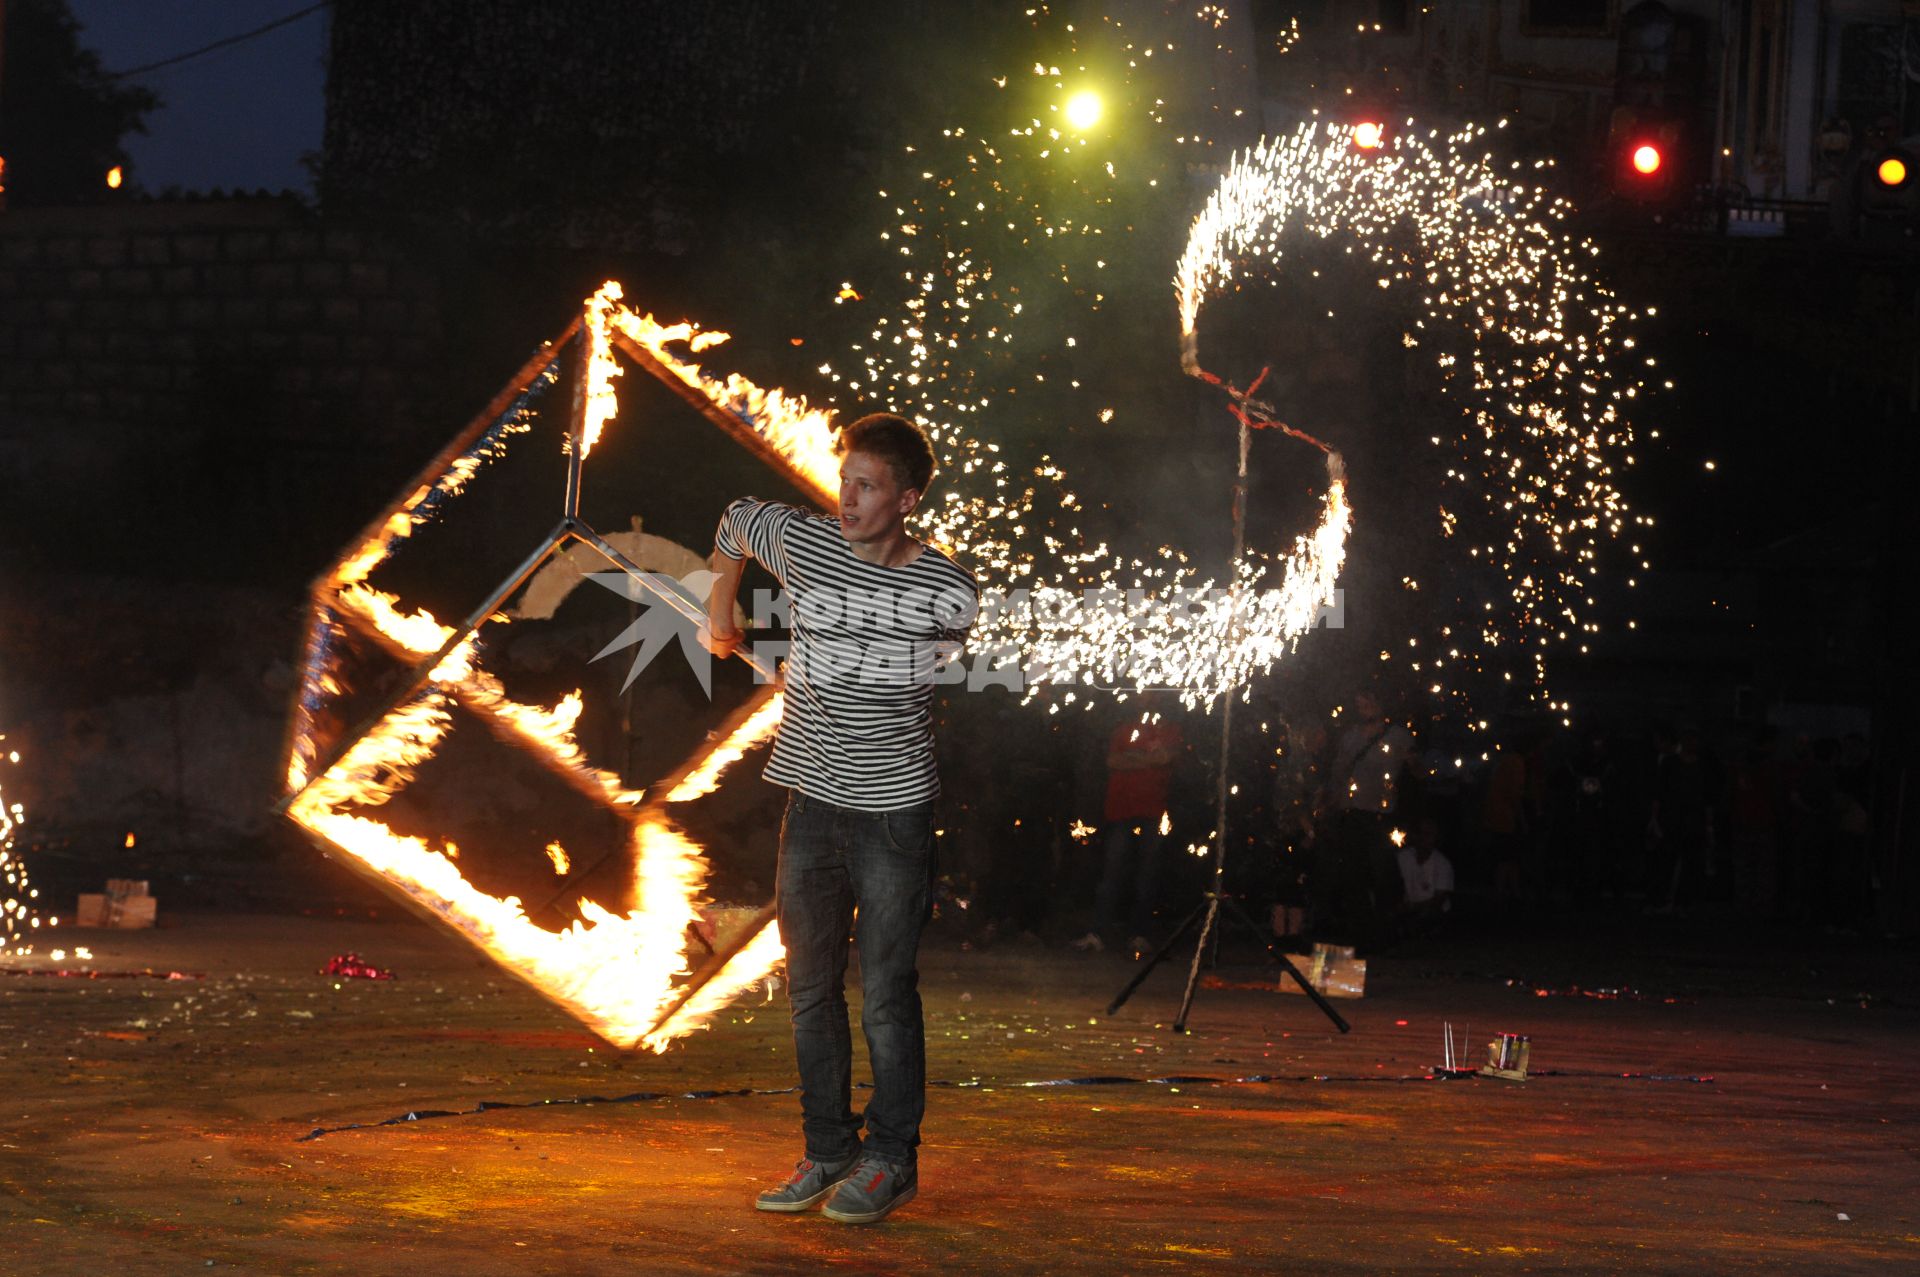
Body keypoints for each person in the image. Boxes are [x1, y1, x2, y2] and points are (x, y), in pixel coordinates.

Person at [703, 413, 978, 1225]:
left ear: (907, 498)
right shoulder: (809, 542)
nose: (847, 498)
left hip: (892, 813)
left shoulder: (946, 589)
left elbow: (908, 671)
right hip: (813, 805)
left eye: (867, 486)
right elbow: (736, 520)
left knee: (887, 994)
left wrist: (833, 654)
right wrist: (721, 606)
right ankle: (829, 1147)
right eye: (844, 479)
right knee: (810, 988)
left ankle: (892, 1158)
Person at [1074, 696, 1182, 953]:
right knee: (1112, 872)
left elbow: (1166, 758)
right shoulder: (1124, 730)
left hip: (1152, 809)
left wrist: (1133, 759)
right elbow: (1113, 761)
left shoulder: (1169, 730)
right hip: (1121, 809)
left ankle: (1139, 933)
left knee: (1147, 873)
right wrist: (1147, 759)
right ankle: (1098, 932)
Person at [1396, 816, 1454, 931]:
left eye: (1429, 834)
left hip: (1433, 916)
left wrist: (1412, 908)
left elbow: (1438, 901)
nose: (1424, 838)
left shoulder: (1442, 864)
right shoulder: (1402, 857)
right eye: (1422, 833)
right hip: (1408, 911)